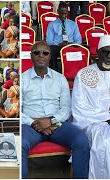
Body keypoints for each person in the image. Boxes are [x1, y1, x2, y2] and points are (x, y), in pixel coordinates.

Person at [22, 41, 89, 179]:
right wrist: (34, 123)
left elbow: (66, 108)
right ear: (31, 56)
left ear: (50, 56)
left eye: (45, 53)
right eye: (37, 52)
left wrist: (51, 121)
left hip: (56, 124)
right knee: (20, 144)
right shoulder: (22, 79)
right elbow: (17, 110)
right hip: (29, 125)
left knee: (81, 140)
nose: (41, 56)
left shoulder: (60, 79)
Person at [72, 35, 110, 179]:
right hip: (94, 122)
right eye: (105, 52)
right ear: (98, 52)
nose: (109, 56)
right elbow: (79, 106)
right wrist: (108, 119)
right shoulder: (83, 74)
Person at [46, 2, 81, 72]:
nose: (63, 16)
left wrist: (73, 44)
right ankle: (54, 73)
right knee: (51, 50)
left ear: (67, 13)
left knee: (86, 48)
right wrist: (59, 44)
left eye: (65, 13)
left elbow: (78, 39)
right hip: (58, 46)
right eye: (62, 13)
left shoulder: (73, 24)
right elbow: (49, 41)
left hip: (71, 45)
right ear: (58, 11)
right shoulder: (52, 24)